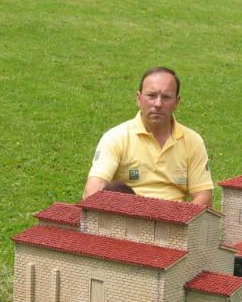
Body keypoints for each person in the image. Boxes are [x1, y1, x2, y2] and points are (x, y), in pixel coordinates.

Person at [83, 67, 213, 207]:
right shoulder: (116, 137)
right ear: (139, 98)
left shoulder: (192, 141)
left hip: (174, 221)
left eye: (166, 97)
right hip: (128, 219)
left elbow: (204, 196)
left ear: (177, 102)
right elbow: (93, 189)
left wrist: (180, 221)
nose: (158, 104)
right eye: (151, 96)